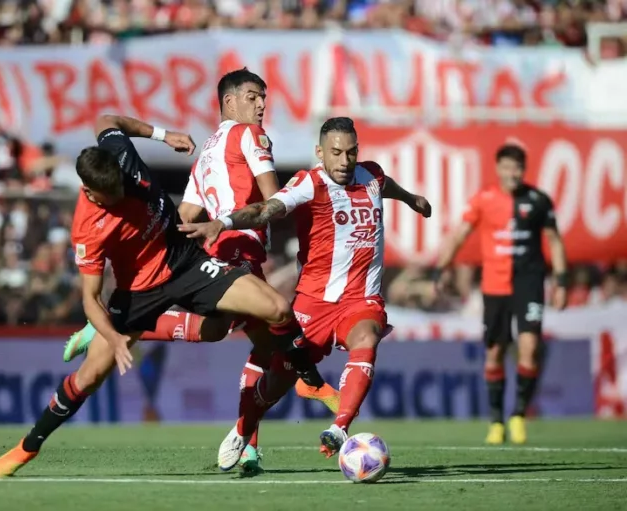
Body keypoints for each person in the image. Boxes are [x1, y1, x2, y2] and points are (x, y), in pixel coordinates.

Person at [0, 114, 321, 479]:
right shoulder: (88, 229)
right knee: (89, 377)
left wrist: (163, 135)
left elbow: (106, 119)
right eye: (112, 197)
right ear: (90, 193)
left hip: (186, 262)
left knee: (274, 309)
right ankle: (27, 447)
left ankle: (306, 376)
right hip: (138, 292)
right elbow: (90, 298)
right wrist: (114, 338)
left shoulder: (119, 153)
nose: (122, 196)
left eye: (122, 186)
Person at [60, 68, 340, 474]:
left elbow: (185, 216)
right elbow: (273, 200)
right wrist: (315, 201)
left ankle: (247, 439)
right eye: (252, 96)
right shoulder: (251, 135)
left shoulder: (207, 153)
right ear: (229, 102)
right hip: (238, 247)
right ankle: (266, 420)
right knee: (268, 336)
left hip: (218, 250)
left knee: (233, 335)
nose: (261, 104)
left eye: (263, 97)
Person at [179, 117, 432, 469]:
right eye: (336, 153)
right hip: (313, 303)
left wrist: (411, 198)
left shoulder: (370, 174)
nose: (344, 161)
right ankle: (243, 428)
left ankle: (339, 427)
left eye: (351, 152)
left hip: (361, 299)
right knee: (278, 380)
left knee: (367, 337)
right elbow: (266, 209)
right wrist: (223, 223)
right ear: (320, 153)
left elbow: (385, 183)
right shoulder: (309, 183)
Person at [433, 142, 567, 445]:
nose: (512, 173)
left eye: (517, 168)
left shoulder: (538, 200)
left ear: (524, 170)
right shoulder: (483, 200)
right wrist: (441, 268)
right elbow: (459, 235)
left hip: (529, 283)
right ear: (498, 169)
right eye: (507, 167)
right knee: (494, 353)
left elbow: (554, 241)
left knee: (530, 347)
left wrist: (561, 282)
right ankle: (496, 421)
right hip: (495, 285)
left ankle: (518, 414)